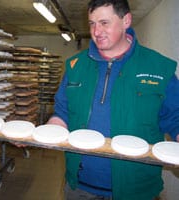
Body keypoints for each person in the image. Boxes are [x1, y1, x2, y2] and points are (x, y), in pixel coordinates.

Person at [47, 0, 179, 199]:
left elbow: (175, 117)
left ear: (126, 20)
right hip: (80, 187)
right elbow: (62, 113)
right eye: (92, 23)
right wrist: (46, 132)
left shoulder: (158, 67)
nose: (96, 31)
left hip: (136, 190)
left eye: (104, 23)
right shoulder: (76, 66)